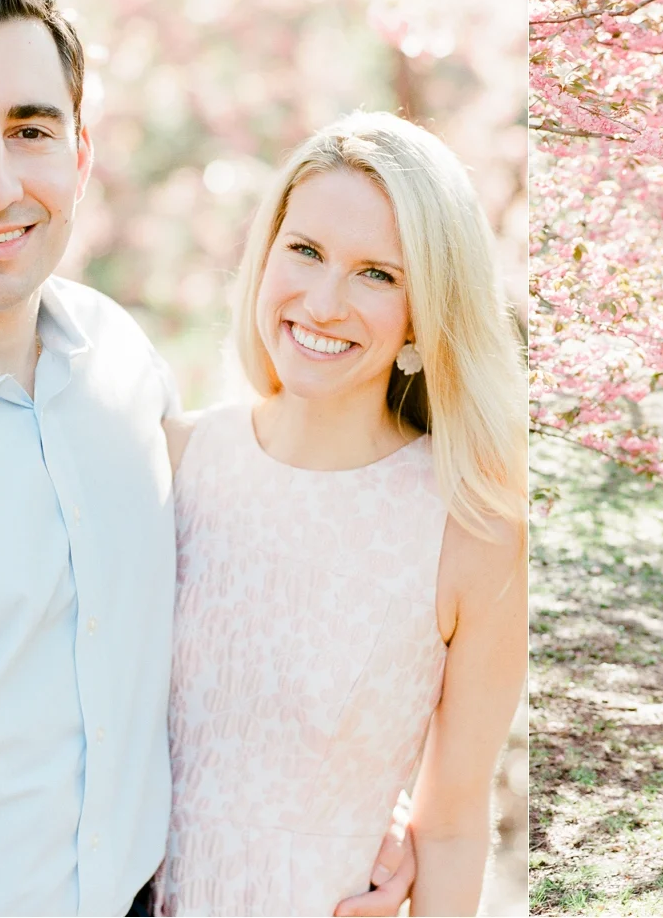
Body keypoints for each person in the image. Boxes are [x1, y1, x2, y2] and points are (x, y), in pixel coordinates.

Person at [0, 0, 409, 917]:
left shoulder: (121, 364)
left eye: (30, 131)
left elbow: (222, 648)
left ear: (80, 155)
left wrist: (362, 808)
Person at [155, 112, 528, 916]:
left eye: (377, 274)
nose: (323, 302)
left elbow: (456, 824)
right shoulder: (175, 461)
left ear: (427, 312)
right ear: (267, 253)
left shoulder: (473, 530)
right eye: (307, 251)